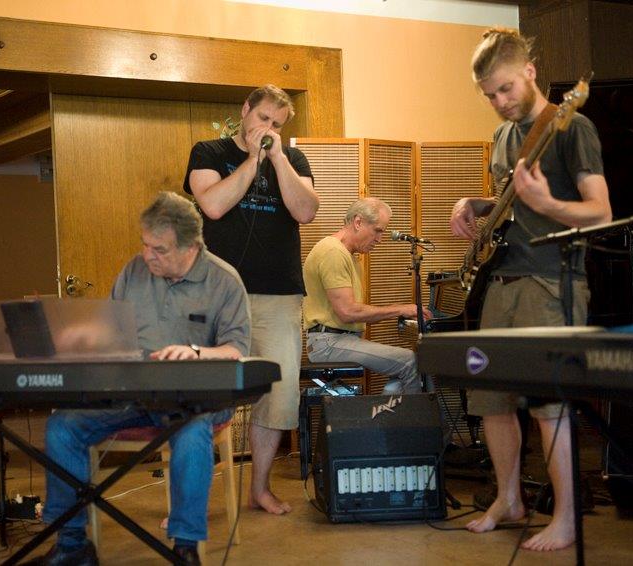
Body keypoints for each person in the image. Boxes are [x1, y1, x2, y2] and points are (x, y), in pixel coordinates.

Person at [449, 28, 611, 551]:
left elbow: (601, 211)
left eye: (506, 88)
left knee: (549, 404)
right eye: (489, 95)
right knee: (491, 399)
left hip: (551, 280)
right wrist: (475, 204)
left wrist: (548, 205)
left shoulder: (571, 125)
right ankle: (509, 499)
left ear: (531, 72)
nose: (499, 101)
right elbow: (508, 201)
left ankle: (566, 517)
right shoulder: (503, 136)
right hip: (502, 278)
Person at [41, 191, 251, 566]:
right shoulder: (134, 272)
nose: (147, 255)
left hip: (196, 400)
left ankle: (185, 547)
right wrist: (84, 336)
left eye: (160, 249)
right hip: (133, 394)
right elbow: (111, 333)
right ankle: (71, 545)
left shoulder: (223, 281)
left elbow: (237, 349)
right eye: (144, 244)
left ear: (191, 247)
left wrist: (196, 352)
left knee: (191, 432)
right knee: (62, 426)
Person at [184, 84, 318, 515]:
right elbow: (213, 205)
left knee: (277, 394)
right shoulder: (208, 152)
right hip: (216, 296)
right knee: (202, 393)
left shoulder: (292, 160)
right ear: (245, 109)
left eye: (277, 124)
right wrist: (253, 160)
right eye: (263, 118)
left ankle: (259, 489)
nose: (269, 128)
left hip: (278, 294)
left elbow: (306, 211)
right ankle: (191, 500)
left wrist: (277, 158)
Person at [303, 197, 432, 394]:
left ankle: (387, 412)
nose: (379, 239)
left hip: (339, 340)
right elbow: (348, 312)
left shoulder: (347, 255)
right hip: (329, 344)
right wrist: (401, 309)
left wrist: (401, 311)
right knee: (411, 363)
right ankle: (410, 415)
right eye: (377, 230)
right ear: (358, 222)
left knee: (408, 365)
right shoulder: (333, 252)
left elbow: (354, 314)